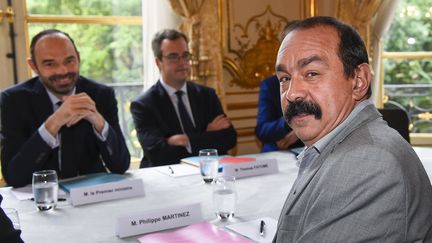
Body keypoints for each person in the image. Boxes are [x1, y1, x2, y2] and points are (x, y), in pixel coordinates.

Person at [273, 16, 432, 242]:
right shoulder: (338, 143)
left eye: (311, 73)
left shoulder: (368, 162)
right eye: (285, 78)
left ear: (358, 81)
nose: (291, 93)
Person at [0, 29, 130, 188]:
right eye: (50, 64)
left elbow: (121, 165)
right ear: (33, 65)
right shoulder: (13, 100)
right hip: (41, 198)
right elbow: (14, 177)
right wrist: (52, 124)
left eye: (69, 61)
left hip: (91, 194)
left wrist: (99, 122)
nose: (63, 71)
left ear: (79, 58)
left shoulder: (101, 95)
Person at [131, 29, 237, 167]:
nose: (182, 63)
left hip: (208, 172)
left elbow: (229, 139)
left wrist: (185, 140)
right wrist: (206, 134)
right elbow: (158, 154)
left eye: (185, 55)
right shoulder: (144, 105)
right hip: (166, 178)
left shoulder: (206, 95)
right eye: (173, 57)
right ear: (158, 62)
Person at [256, 21, 304, 152]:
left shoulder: (319, 79)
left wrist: (298, 132)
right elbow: (262, 131)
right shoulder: (270, 85)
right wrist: (293, 118)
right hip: (280, 153)